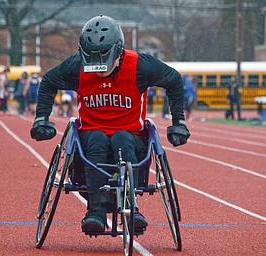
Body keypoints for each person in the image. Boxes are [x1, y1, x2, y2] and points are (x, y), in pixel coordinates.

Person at [30, 15, 190, 233]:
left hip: (131, 136)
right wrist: (42, 118)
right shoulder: (76, 66)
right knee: (96, 138)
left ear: (119, 51)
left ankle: (130, 206)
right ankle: (95, 210)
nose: (99, 68)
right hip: (90, 138)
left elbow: (173, 80)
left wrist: (178, 121)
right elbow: (48, 81)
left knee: (121, 138)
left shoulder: (140, 66)